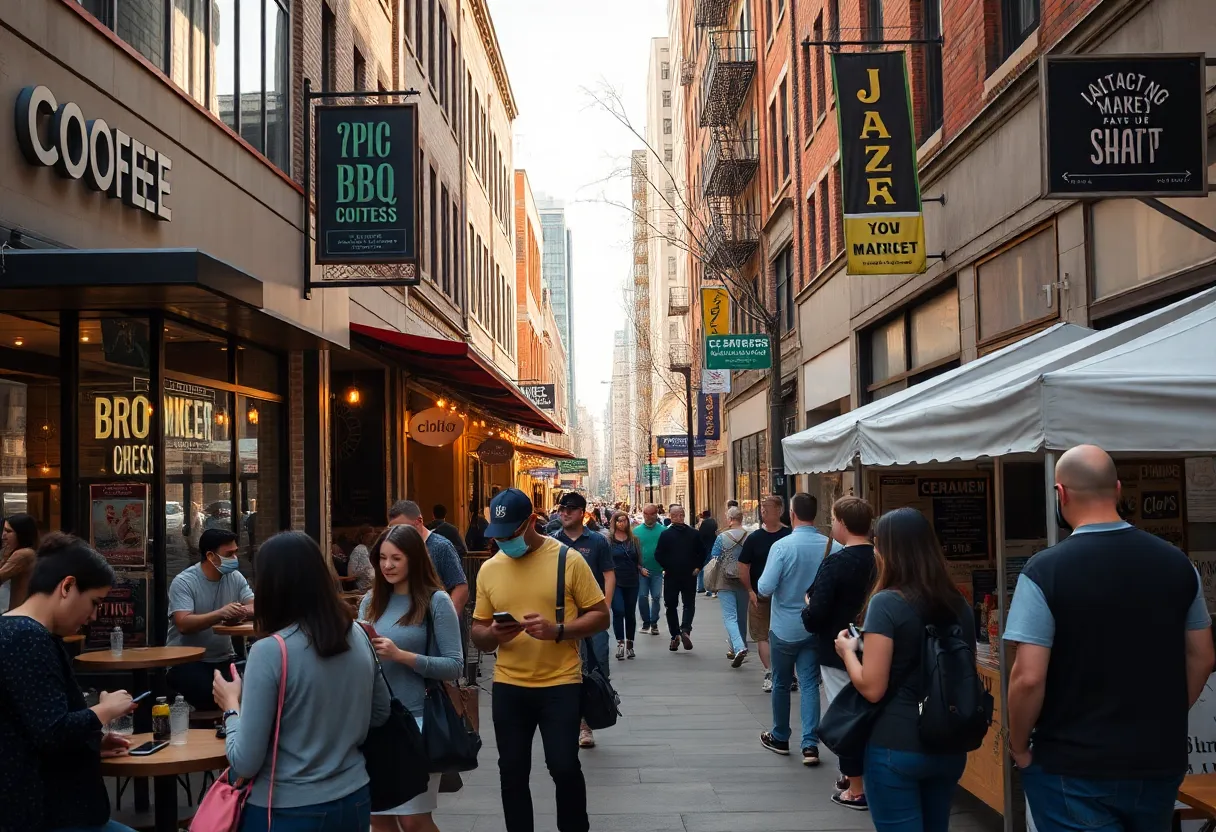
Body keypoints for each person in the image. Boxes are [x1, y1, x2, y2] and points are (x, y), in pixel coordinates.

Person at [1004, 444, 1216, 832]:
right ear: (1118, 490)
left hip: (1071, 764)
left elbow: (1028, 676)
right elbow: (1202, 656)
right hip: (1156, 761)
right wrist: (1164, 714)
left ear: (1060, 495)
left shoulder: (1044, 571)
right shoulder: (1178, 565)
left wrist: (1018, 746)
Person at [213, 531, 391, 832]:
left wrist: (231, 706)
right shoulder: (358, 634)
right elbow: (380, 712)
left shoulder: (270, 651)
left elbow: (244, 761)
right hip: (354, 797)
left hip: (288, 807)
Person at [470, 488, 609, 832]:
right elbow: (478, 631)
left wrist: (557, 630)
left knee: (563, 766)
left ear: (532, 522)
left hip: (560, 683)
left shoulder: (567, 559)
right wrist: (492, 636)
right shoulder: (489, 569)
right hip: (508, 685)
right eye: (498, 535)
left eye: (510, 533)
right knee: (512, 770)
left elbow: (601, 615)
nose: (503, 541)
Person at [833, 508, 975, 832]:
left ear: (889, 550)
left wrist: (848, 653)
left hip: (895, 742)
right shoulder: (959, 603)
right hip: (948, 741)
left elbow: (872, 686)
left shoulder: (886, 603)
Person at [0, 533, 140, 832]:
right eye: (94, 602)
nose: (93, 616)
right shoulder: (28, 638)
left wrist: (90, 742)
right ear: (67, 586)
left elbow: (30, 727)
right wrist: (105, 710)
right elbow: (52, 731)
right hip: (46, 812)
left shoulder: (16, 632)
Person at [359, 524, 463, 832]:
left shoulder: (436, 602)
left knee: (413, 819)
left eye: (396, 558)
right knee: (378, 818)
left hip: (418, 720)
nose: (387, 566)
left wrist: (402, 656)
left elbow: (454, 665)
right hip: (374, 723)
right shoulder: (370, 601)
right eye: (382, 558)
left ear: (414, 559)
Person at [802, 496, 876, 809]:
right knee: (873, 714)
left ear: (842, 524)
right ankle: (861, 776)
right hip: (878, 649)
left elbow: (816, 614)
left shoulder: (836, 562)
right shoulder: (883, 559)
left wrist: (808, 606)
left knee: (847, 716)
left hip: (839, 651)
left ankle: (855, 786)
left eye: (833, 520)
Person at [758, 493, 836, 765]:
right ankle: (810, 745)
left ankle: (780, 735)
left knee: (781, 682)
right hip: (815, 626)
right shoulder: (832, 546)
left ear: (790, 513)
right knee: (809, 683)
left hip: (784, 627)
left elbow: (765, 587)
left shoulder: (782, 546)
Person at [550, 491, 615, 749]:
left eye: (571, 509)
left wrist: (605, 608)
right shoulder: (552, 541)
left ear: (582, 513)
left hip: (592, 616)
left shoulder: (597, 542)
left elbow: (609, 575)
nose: (565, 513)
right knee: (567, 670)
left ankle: (589, 717)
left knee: (597, 665)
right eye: (562, 509)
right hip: (563, 619)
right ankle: (579, 725)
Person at [166, 528, 254, 711]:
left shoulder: (234, 577)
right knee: (214, 696)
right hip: (186, 661)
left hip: (223, 658)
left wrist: (240, 612)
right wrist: (221, 614)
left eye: (236, 552)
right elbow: (183, 623)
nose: (235, 558)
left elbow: (255, 606)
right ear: (211, 556)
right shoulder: (184, 582)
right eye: (229, 554)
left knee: (253, 691)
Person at [737, 495, 791, 692]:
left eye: (768, 508)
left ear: (780, 510)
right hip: (760, 595)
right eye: (762, 509)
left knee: (786, 635)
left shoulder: (789, 535)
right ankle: (770, 671)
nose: (764, 512)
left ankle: (788, 673)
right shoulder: (754, 538)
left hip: (786, 595)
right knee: (762, 635)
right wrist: (749, 590)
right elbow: (743, 565)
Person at [388, 500, 469, 613]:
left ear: (418, 521)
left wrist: (447, 619)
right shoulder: (397, 549)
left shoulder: (441, 546)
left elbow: (460, 587)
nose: (398, 534)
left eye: (403, 528)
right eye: (393, 530)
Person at [654, 504, 703, 652]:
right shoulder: (692, 533)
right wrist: (697, 567)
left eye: (680, 515)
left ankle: (677, 633)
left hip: (674, 575)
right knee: (687, 604)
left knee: (672, 605)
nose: (680, 517)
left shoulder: (667, 534)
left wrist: (666, 567)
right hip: (686, 574)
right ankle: (684, 630)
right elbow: (702, 552)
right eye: (678, 515)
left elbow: (658, 554)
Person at [709, 506, 750, 666]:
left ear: (729, 519)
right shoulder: (750, 536)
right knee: (741, 616)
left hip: (725, 580)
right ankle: (738, 647)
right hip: (744, 579)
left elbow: (714, 556)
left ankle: (738, 647)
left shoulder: (722, 537)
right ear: (741, 518)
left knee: (729, 616)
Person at [607, 510, 642, 661]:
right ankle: (620, 643)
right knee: (618, 610)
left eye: (625, 520)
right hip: (615, 581)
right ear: (614, 523)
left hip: (632, 580)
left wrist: (642, 568)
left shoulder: (634, 540)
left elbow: (638, 559)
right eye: (619, 521)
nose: (622, 523)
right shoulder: (608, 540)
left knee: (630, 613)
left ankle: (630, 644)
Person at [633, 505, 665, 635]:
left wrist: (666, 566)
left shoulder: (663, 531)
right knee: (642, 596)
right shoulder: (636, 532)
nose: (648, 516)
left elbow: (667, 551)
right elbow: (632, 553)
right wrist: (639, 568)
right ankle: (646, 623)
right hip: (642, 570)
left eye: (651, 514)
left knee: (656, 597)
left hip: (658, 570)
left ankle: (654, 623)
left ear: (656, 514)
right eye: (646, 514)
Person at [0, 512, 39, 612]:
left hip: (21, 612)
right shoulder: (28, 552)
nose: (3, 536)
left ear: (21, 534)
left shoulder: (23, 554)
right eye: (3, 530)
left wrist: (5, 556)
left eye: (8, 531)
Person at [346, 525, 376, 591]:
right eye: (369, 537)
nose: (371, 539)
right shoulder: (359, 549)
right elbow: (351, 574)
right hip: (363, 587)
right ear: (362, 537)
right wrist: (364, 571)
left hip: (373, 586)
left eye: (373, 537)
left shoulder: (371, 549)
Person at [696, 510, 718, 597]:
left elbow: (700, 535)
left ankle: (701, 586)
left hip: (704, 548)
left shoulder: (703, 524)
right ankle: (710, 588)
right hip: (712, 546)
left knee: (702, 567)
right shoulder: (713, 522)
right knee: (711, 568)